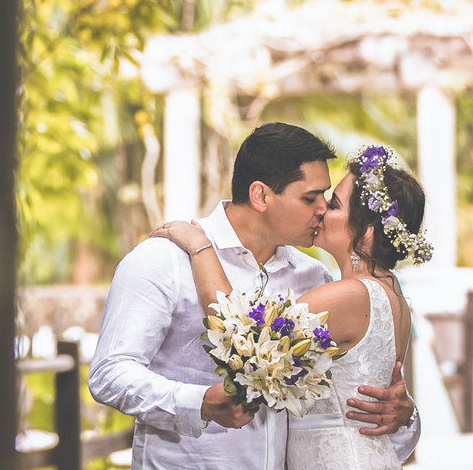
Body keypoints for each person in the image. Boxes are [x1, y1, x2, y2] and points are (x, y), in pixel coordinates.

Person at [88, 123, 420, 470]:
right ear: (261, 195)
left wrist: (405, 413)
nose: (322, 209)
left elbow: (351, 403)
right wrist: (198, 403)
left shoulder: (315, 279)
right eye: (311, 198)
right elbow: (109, 374)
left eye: (329, 199)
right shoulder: (164, 259)